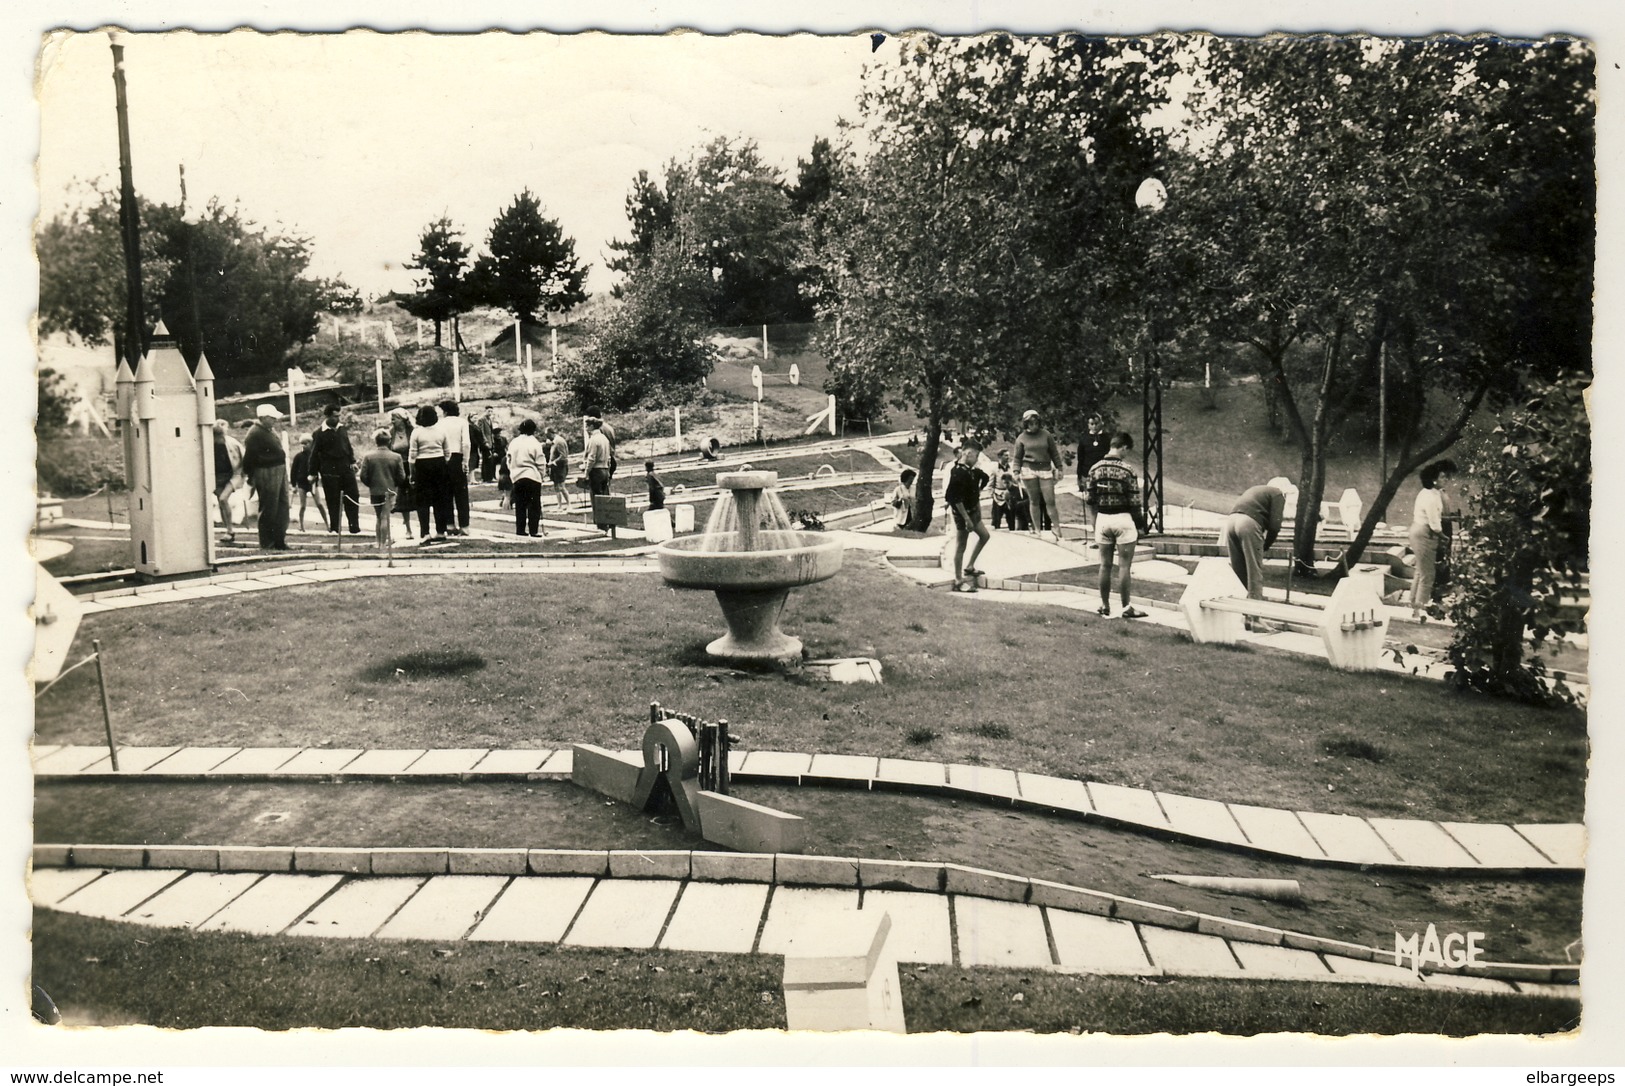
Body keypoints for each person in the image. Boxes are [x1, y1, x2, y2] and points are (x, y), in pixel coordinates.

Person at [1086, 431, 1148, 618]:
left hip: (1103, 519)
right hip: (1123, 519)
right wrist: (1140, 525)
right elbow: (1135, 502)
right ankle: (1126, 607)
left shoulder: (1094, 469)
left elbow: (1090, 499)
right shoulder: (1128, 470)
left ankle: (1104, 605)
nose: (1126, 454)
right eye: (1126, 450)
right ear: (1123, 447)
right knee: (1124, 566)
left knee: (1104, 565)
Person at [1408, 459, 1457, 619]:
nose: (1445, 480)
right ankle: (1421, 609)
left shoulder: (1433, 493)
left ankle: (1414, 605)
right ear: (1433, 479)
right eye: (1442, 477)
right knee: (1428, 575)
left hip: (1420, 531)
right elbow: (1435, 524)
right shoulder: (1430, 497)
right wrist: (1444, 538)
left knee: (1420, 571)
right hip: (1424, 533)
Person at [1224, 482, 1287, 599]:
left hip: (1231, 521)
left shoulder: (1258, 489)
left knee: (1238, 568)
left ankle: (1238, 607)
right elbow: (1275, 526)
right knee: (1254, 571)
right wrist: (1265, 545)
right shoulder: (1278, 493)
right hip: (1248, 523)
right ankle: (1254, 614)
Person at [242, 403, 291, 551]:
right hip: (266, 471)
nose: (275, 420)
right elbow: (249, 458)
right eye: (272, 417)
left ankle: (279, 541)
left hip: (279, 470)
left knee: (282, 507)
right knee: (269, 507)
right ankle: (268, 543)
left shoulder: (269, 430)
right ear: (263, 418)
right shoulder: (254, 433)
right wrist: (252, 477)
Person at [944, 439, 991, 592]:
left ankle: (970, 566)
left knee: (984, 536)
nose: (977, 459)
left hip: (973, 512)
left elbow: (985, 477)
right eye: (976, 456)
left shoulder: (971, 471)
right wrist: (967, 520)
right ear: (968, 453)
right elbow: (954, 498)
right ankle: (958, 580)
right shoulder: (957, 471)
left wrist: (978, 490)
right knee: (961, 545)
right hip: (962, 514)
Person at [309, 403, 361, 535]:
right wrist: (312, 473)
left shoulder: (342, 429)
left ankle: (354, 527)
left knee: (352, 496)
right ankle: (335, 528)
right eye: (334, 416)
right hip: (329, 470)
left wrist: (353, 461)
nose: (337, 419)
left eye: (338, 416)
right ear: (327, 416)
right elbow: (314, 454)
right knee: (333, 500)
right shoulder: (319, 433)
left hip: (345, 467)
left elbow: (348, 447)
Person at [1012, 408, 1063, 540]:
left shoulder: (1046, 435)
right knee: (1034, 500)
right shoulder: (1021, 438)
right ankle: (1037, 529)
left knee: (1050, 500)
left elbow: (1054, 453)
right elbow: (1017, 457)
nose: (1034, 426)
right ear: (1026, 424)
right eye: (1030, 423)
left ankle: (1056, 528)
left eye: (1036, 423)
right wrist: (1016, 471)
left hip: (1045, 468)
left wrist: (1059, 468)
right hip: (1028, 469)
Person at [409, 403, 452, 544]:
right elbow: (448, 453)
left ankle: (425, 533)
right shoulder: (442, 431)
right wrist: (443, 464)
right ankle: (440, 531)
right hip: (439, 464)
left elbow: (412, 456)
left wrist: (412, 473)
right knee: (440, 499)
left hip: (422, 465)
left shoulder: (416, 432)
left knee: (423, 501)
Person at [358, 428, 406, 549]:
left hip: (375, 490)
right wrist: (394, 484)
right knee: (385, 516)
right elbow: (401, 476)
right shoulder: (396, 457)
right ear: (389, 441)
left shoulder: (369, 456)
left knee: (378, 516)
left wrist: (371, 484)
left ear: (376, 441)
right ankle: (383, 544)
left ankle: (378, 541)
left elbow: (363, 475)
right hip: (389, 490)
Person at [506, 418, 548, 538]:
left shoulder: (514, 442)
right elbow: (540, 461)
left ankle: (520, 530)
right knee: (534, 505)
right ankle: (533, 530)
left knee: (520, 504)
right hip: (532, 475)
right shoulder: (534, 443)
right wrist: (541, 475)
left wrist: (512, 471)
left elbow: (508, 459)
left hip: (517, 476)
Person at [439, 400, 472, 535]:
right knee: (461, 494)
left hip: (443, 457)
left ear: (445, 411)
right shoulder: (462, 422)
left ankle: (450, 524)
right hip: (458, 456)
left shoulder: (440, 423)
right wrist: (465, 460)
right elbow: (466, 443)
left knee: (446, 493)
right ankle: (464, 525)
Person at [1076, 414, 1110, 537]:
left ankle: (1106, 536)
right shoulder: (1084, 439)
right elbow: (1080, 459)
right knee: (1092, 506)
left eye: (1096, 423)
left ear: (1101, 423)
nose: (1094, 426)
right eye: (1091, 424)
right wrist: (1079, 478)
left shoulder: (1107, 438)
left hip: (1104, 476)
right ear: (1088, 425)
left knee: (1104, 506)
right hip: (1088, 476)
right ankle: (1097, 536)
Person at [212, 419, 244, 544]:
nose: (219, 438)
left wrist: (244, 473)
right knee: (222, 502)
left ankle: (230, 530)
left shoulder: (232, 443)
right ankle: (228, 531)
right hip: (216, 477)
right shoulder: (209, 443)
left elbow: (244, 457)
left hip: (232, 475)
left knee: (223, 499)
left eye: (220, 435)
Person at [388, 408, 417, 540]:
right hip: (399, 467)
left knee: (417, 496)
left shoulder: (412, 431)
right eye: (392, 418)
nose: (392, 421)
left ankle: (424, 528)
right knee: (402, 498)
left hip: (413, 465)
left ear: (403, 419)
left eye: (395, 418)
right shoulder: (391, 433)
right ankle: (408, 529)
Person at [583, 416, 615, 532]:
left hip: (596, 470)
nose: (586, 428)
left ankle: (601, 524)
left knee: (596, 498)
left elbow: (591, 458)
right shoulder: (604, 438)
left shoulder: (594, 439)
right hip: (605, 468)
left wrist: (586, 473)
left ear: (592, 426)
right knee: (605, 496)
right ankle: (609, 521)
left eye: (587, 426)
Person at [289, 436, 322, 531]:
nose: (303, 446)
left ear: (311, 444)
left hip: (312, 483)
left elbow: (319, 468)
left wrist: (316, 477)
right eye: (302, 444)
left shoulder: (315, 456)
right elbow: (293, 471)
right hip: (301, 484)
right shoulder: (298, 456)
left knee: (319, 504)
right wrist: (293, 485)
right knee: (302, 506)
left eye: (306, 443)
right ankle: (301, 526)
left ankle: (328, 524)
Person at [990, 452, 1020, 532]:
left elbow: (1015, 481)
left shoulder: (1011, 468)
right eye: (1006, 455)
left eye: (1008, 455)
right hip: (998, 497)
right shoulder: (994, 469)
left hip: (1010, 495)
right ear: (1000, 456)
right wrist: (993, 495)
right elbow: (991, 485)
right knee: (996, 519)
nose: (1008, 457)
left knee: (1011, 518)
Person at [547, 429, 571, 510]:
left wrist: (553, 462)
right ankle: (559, 505)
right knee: (556, 487)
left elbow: (563, 455)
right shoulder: (554, 442)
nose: (547, 437)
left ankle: (569, 504)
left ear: (551, 433)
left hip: (560, 467)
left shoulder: (559, 441)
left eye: (547, 435)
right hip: (555, 468)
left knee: (561, 487)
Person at [476, 406, 499, 482]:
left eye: (491, 411)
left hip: (490, 442)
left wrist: (492, 441)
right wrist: (485, 442)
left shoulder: (490, 420)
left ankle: (490, 477)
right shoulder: (481, 420)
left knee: (490, 460)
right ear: (485, 411)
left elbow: (491, 432)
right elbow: (481, 432)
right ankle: (485, 477)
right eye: (488, 411)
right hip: (485, 443)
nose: (490, 413)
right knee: (486, 460)